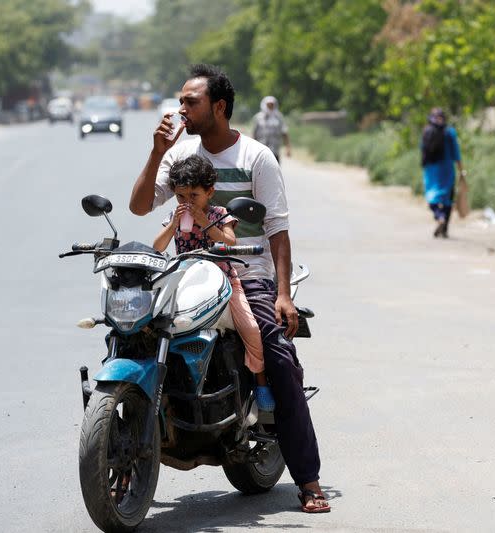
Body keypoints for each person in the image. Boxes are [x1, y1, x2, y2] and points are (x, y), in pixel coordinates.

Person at [129, 64, 329, 513]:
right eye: (180, 101)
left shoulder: (257, 156)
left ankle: (309, 481)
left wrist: (282, 294)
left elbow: (277, 229)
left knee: (279, 357)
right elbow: (141, 206)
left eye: (190, 101)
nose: (181, 109)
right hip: (184, 271)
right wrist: (157, 151)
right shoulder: (179, 156)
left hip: (247, 270)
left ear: (218, 107)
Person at [152, 154, 276, 412]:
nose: (187, 203)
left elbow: (230, 241)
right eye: (181, 197)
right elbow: (158, 246)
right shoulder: (174, 216)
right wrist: (174, 222)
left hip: (222, 277)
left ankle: (261, 381)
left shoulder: (219, 214)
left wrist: (205, 222)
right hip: (185, 279)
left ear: (209, 192)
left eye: (193, 196)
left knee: (251, 328)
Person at [421, 107, 466, 238]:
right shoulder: (450, 132)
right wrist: (461, 169)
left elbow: (423, 151)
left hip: (431, 171)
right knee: (447, 200)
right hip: (447, 170)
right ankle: (445, 227)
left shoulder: (426, 131)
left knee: (431, 197)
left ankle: (439, 216)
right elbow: (456, 153)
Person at [252, 96, 291, 162]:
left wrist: (288, 148)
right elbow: (254, 133)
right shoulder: (258, 117)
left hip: (274, 151)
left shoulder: (279, 117)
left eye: (272, 105)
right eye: (268, 105)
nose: (270, 107)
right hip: (260, 151)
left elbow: (284, 133)